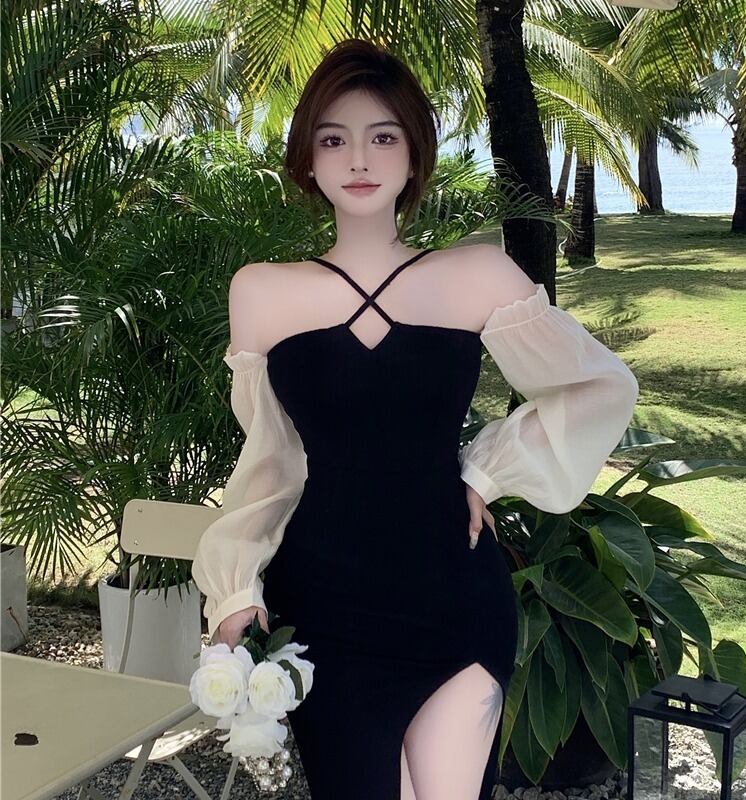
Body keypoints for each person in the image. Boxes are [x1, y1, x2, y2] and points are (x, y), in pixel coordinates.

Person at [191, 38, 639, 800]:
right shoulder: (261, 293)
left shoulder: (477, 274)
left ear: (414, 153)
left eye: (383, 136)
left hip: (454, 595)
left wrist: (486, 470)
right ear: (308, 159)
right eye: (334, 139)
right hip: (326, 608)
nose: (359, 159)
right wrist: (235, 591)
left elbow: (598, 385)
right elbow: (271, 463)